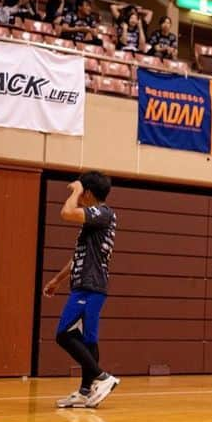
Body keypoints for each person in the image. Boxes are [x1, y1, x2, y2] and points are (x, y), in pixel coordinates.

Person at [43, 171, 120, 409]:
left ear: (88, 192)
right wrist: (58, 280)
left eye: (81, 192)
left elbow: (66, 212)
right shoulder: (94, 222)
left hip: (91, 286)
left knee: (63, 334)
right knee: (88, 339)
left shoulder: (103, 213)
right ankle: (86, 391)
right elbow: (78, 257)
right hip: (85, 285)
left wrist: (75, 190)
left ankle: (103, 377)